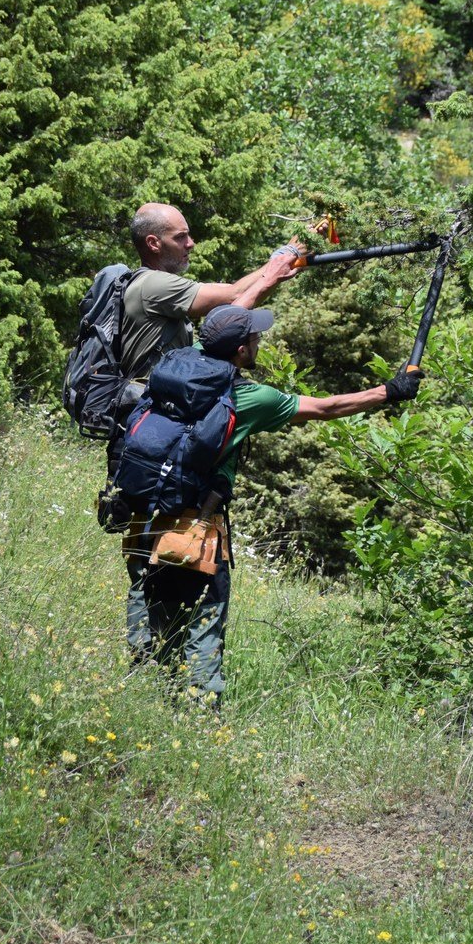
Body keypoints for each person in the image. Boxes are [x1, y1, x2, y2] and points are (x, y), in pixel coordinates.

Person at [135, 303, 423, 704]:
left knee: (152, 611)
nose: (259, 342)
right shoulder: (248, 398)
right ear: (239, 350)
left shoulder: (174, 367)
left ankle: (143, 696)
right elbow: (325, 408)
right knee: (203, 619)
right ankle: (199, 717)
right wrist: (389, 391)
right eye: (254, 338)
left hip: (142, 512)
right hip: (193, 526)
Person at [117, 203, 302, 662]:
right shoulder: (155, 285)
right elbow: (230, 300)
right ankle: (189, 685)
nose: (191, 243)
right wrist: (274, 267)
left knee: (151, 564)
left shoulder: (140, 289)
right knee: (188, 564)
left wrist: (272, 275)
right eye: (181, 237)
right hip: (171, 453)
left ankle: (150, 666)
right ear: (154, 244)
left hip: (147, 441)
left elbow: (224, 325)